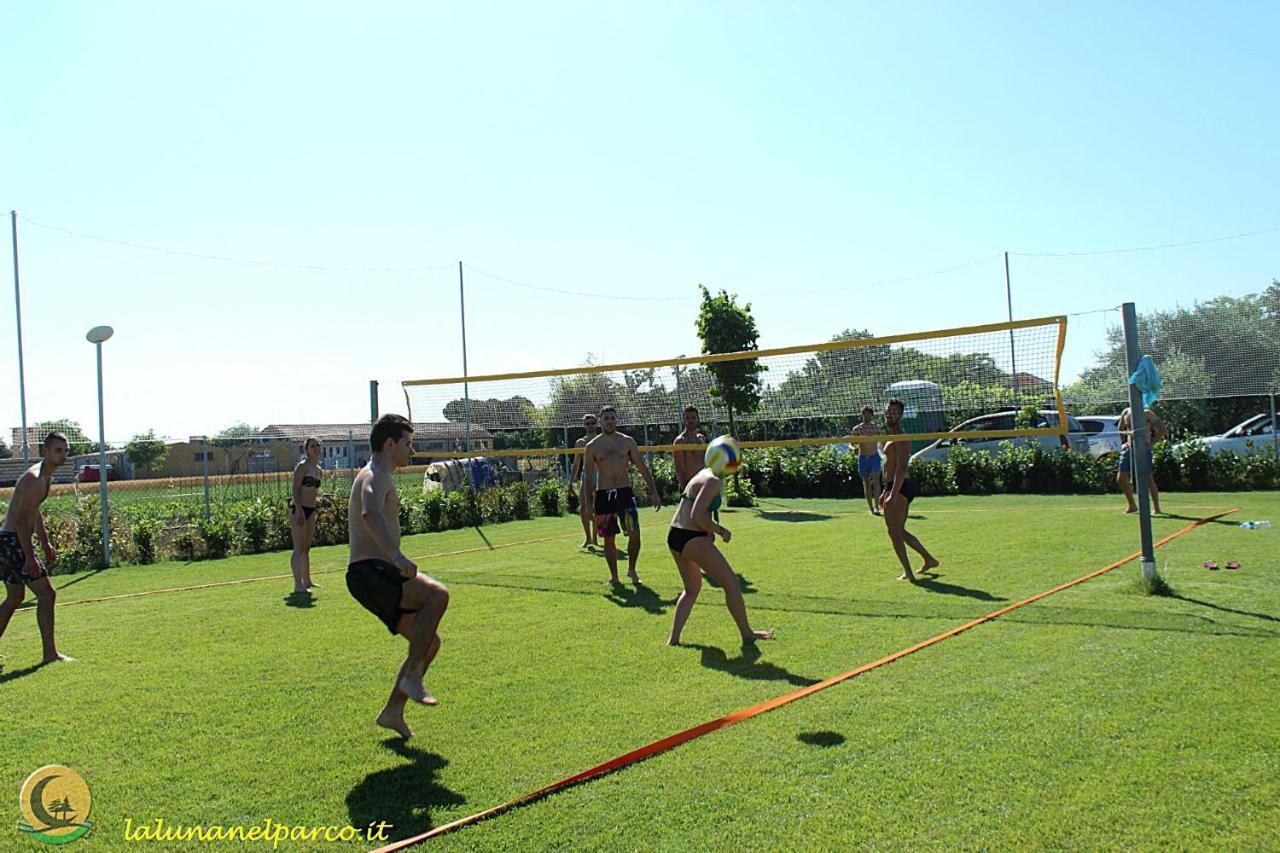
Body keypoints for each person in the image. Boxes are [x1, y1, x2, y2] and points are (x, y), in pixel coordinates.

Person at [346, 415, 449, 739]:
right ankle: (413, 675)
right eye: (407, 443)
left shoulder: (380, 473)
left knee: (429, 641)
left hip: (371, 576)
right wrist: (397, 556)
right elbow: (370, 512)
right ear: (390, 444)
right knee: (437, 595)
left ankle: (392, 711)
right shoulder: (375, 475)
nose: (412, 450)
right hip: (371, 572)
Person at [666, 460, 773, 646]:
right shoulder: (713, 480)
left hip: (675, 535)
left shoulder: (704, 473)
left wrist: (707, 531)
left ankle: (673, 640)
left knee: (691, 590)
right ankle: (747, 633)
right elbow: (697, 516)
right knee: (731, 583)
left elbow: (695, 508)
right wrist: (720, 530)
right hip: (690, 536)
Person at [0, 432, 73, 664]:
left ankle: (50, 653)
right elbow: (22, 521)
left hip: (8, 540)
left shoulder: (44, 477)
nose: (63, 455)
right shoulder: (34, 479)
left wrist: (45, 541)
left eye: (66, 450)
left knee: (15, 597)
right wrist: (30, 558)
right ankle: (50, 654)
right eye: (58, 450)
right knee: (46, 593)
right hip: (12, 541)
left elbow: (34, 512)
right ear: (45, 451)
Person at [583, 405, 662, 586]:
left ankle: (632, 570)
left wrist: (654, 492)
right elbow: (588, 476)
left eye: (612, 418)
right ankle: (614, 577)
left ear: (616, 420)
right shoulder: (592, 446)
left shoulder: (627, 442)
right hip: (603, 496)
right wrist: (588, 504)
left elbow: (642, 467)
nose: (609, 421)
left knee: (634, 534)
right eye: (606, 418)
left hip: (624, 493)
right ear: (600, 421)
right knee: (608, 539)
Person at [879, 399, 939, 582]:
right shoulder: (892, 434)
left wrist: (894, 494)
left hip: (901, 487)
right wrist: (885, 490)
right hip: (892, 487)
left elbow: (902, 467)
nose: (890, 415)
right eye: (888, 412)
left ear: (901, 415)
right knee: (897, 530)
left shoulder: (901, 436)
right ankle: (929, 559)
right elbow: (890, 466)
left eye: (894, 412)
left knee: (894, 533)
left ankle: (909, 573)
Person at [1117, 405, 1167, 514]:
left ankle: (1156, 507)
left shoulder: (1147, 413)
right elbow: (1120, 429)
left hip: (1143, 449)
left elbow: (1162, 430)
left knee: (1148, 479)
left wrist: (1152, 444)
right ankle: (1132, 505)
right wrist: (1124, 442)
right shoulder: (1125, 412)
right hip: (1129, 449)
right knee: (1121, 478)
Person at [289, 436, 323, 594]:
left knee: (306, 548)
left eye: (317, 445)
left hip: (311, 510)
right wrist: (300, 510)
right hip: (299, 509)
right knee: (298, 548)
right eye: (312, 446)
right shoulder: (302, 467)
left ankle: (307, 581)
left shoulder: (319, 470)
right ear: (306, 450)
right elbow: (295, 489)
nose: (315, 448)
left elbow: (314, 491)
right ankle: (298, 585)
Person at [566, 413, 600, 549]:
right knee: (584, 508)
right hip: (586, 476)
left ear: (596, 423)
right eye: (587, 423)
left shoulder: (601, 440)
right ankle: (588, 538)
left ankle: (596, 539)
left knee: (597, 509)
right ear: (584, 425)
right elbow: (576, 463)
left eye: (592, 423)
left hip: (600, 476)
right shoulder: (580, 442)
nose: (590, 426)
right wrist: (570, 482)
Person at [851, 405, 883, 515]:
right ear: (862, 415)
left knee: (876, 481)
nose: (867, 417)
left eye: (869, 414)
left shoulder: (876, 428)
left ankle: (877, 507)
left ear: (872, 415)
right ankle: (871, 508)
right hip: (863, 458)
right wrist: (853, 449)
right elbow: (852, 444)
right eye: (864, 414)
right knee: (867, 483)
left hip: (874, 457)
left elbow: (883, 442)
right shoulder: (857, 429)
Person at [672, 406, 708, 492]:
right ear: (683, 420)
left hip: (703, 483)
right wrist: (685, 490)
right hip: (689, 485)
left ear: (698, 419)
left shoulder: (702, 438)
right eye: (687, 418)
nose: (690, 421)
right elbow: (679, 469)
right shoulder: (680, 441)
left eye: (693, 418)